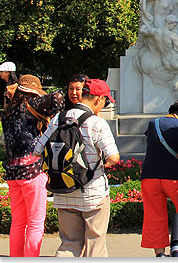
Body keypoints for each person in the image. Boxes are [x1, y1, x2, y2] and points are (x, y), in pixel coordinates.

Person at [34, 79, 120, 257]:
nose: (103, 106)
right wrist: (106, 162)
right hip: (93, 194)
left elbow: (37, 151)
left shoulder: (59, 118)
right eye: (105, 101)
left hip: (63, 190)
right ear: (98, 99)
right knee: (95, 244)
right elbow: (113, 157)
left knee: (69, 244)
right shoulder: (97, 123)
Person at [2, 75, 64, 257]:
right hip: (33, 171)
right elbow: (58, 97)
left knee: (18, 223)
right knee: (36, 223)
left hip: (13, 173)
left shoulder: (9, 110)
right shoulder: (33, 105)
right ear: (32, 93)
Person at [141, 100, 178, 256]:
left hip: (150, 176)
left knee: (154, 216)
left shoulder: (153, 124)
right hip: (176, 177)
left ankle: (160, 254)